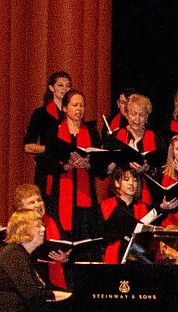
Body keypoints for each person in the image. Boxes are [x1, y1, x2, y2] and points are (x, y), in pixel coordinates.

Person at [44, 89, 100, 239]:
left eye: (82, 105)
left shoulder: (92, 132)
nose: (79, 109)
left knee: (85, 237)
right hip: (60, 194)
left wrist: (88, 164)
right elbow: (46, 165)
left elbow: (101, 168)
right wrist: (65, 167)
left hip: (86, 197)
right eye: (75, 105)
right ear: (64, 108)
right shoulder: (54, 132)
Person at [24, 71, 72, 196]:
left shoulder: (74, 114)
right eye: (60, 85)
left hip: (69, 168)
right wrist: (49, 149)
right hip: (47, 169)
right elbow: (28, 146)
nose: (64, 89)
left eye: (67, 86)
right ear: (51, 88)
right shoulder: (40, 113)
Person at [99, 166, 152, 263]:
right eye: (126, 179)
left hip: (137, 259)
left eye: (135, 180)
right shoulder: (106, 205)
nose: (131, 183)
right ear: (117, 183)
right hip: (113, 257)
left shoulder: (143, 208)